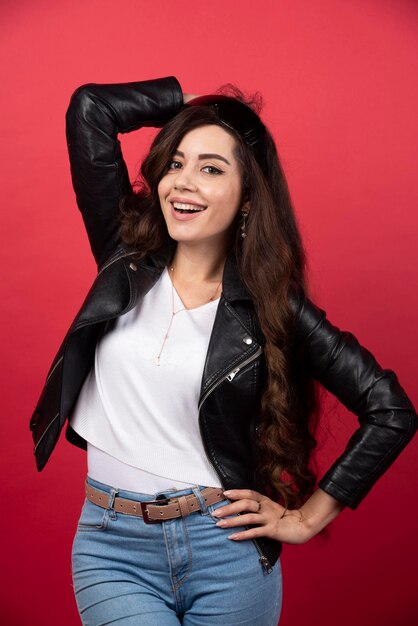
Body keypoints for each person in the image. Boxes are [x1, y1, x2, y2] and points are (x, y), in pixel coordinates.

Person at [29, 76, 417, 625]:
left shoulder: (272, 307)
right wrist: (198, 107)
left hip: (225, 554)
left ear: (247, 197)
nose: (182, 183)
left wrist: (305, 520)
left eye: (211, 168)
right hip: (112, 548)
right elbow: (90, 108)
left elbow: (390, 409)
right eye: (176, 163)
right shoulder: (125, 256)